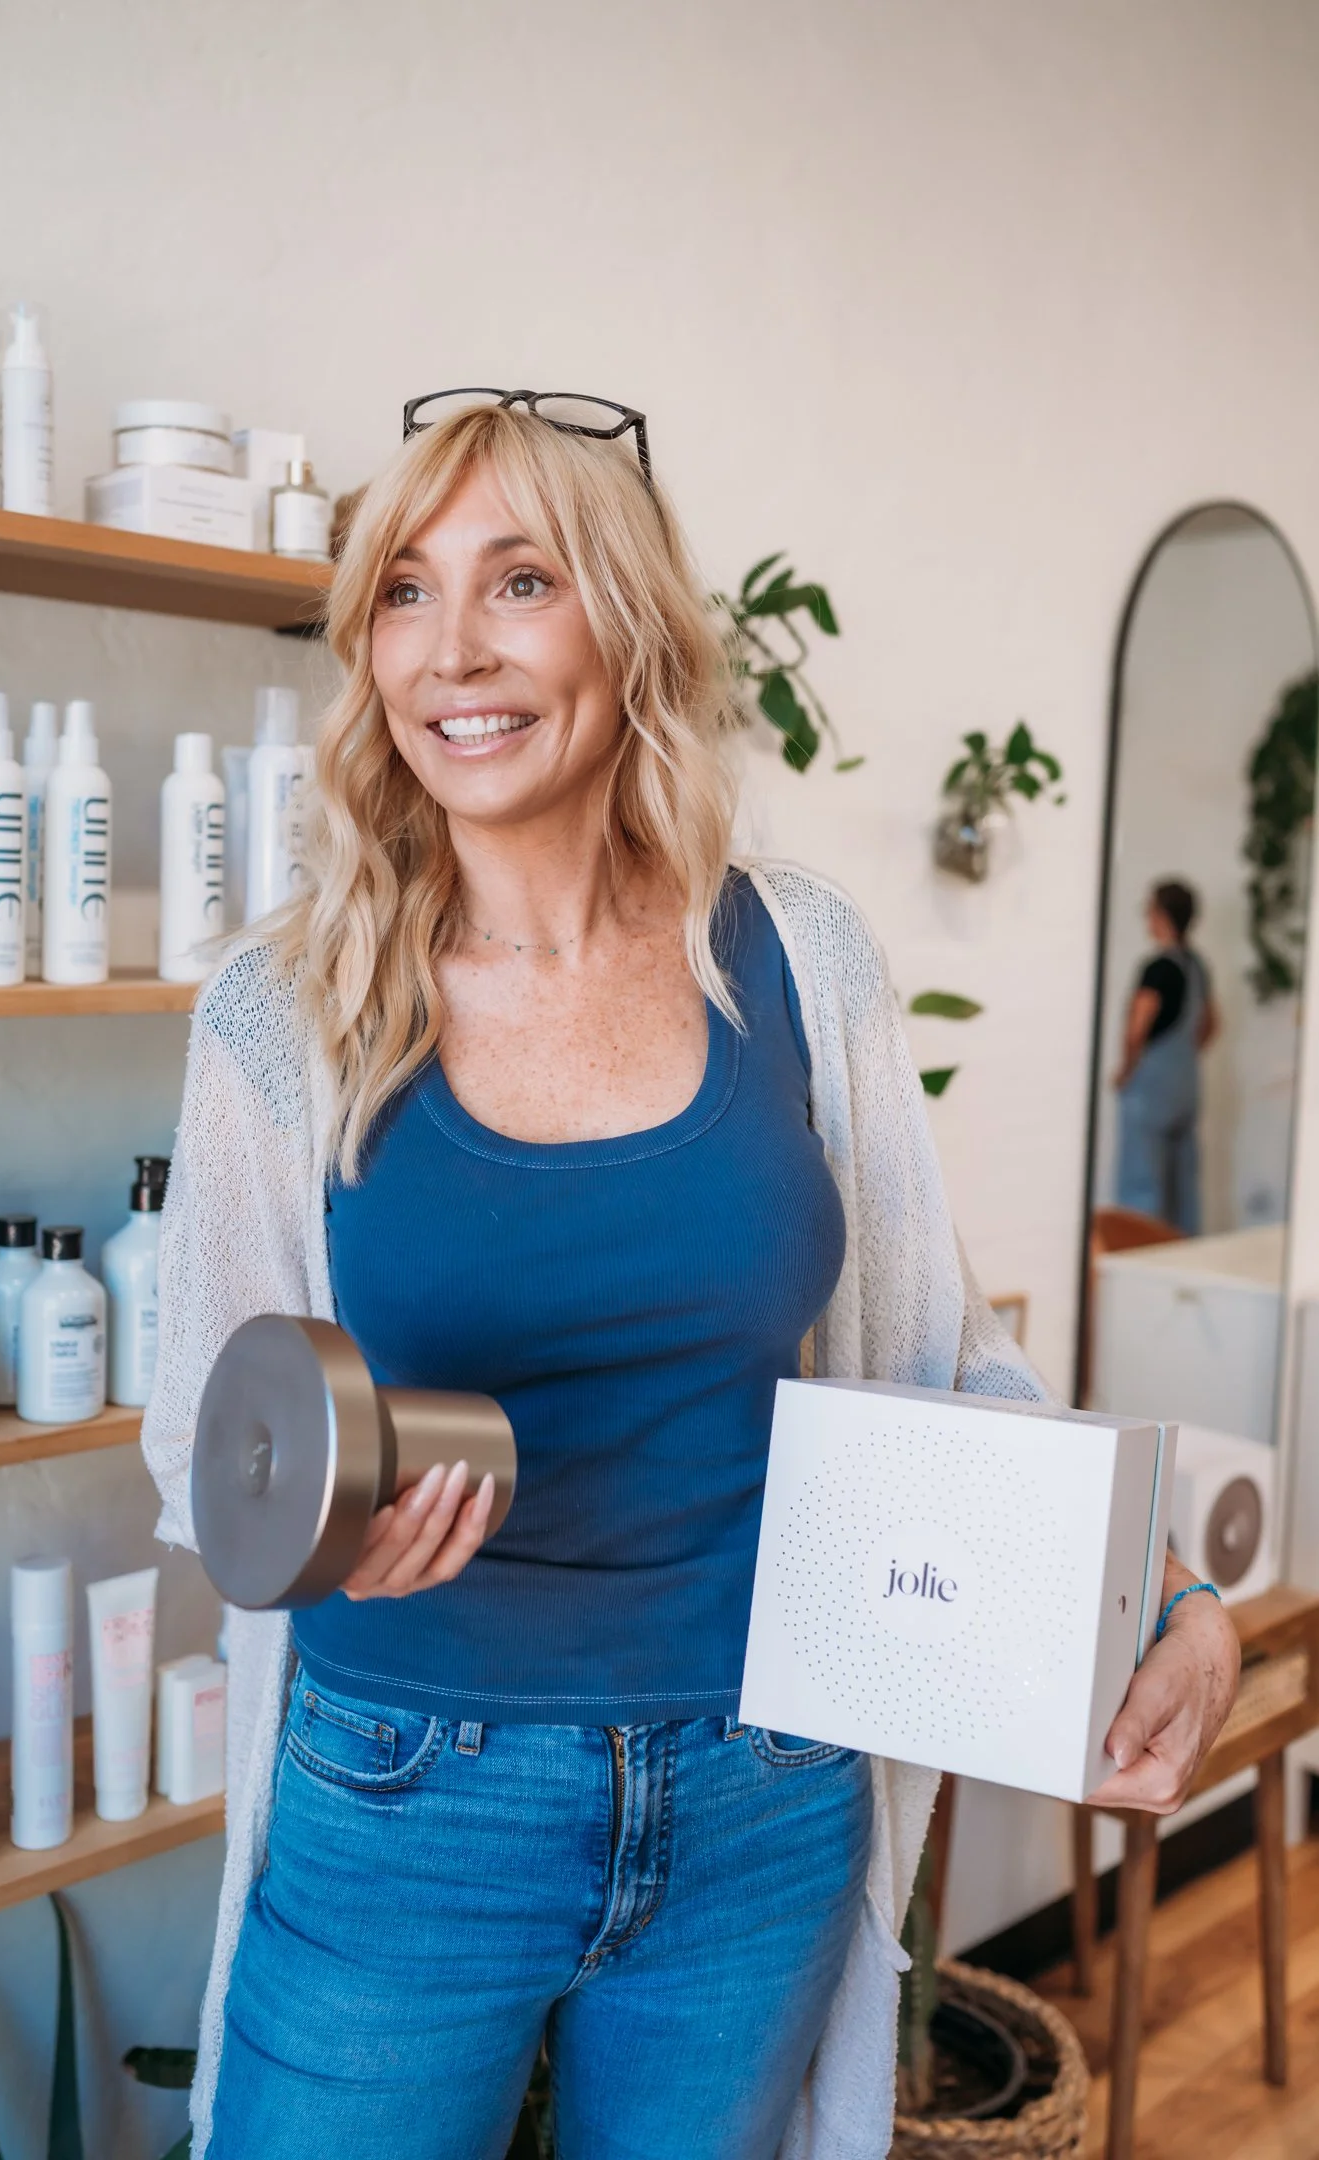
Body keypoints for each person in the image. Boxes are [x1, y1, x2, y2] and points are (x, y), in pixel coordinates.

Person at [142, 397, 1240, 2160]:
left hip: (764, 1790)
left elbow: (940, 1355)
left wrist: (1163, 1592)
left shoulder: (797, 960)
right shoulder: (289, 1013)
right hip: (413, 1795)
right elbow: (199, 1450)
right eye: (404, 594)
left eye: (520, 580)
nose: (454, 650)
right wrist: (323, 1526)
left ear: (628, 623)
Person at [1113, 879, 1218, 1233]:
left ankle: (1141, 1260)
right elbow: (1210, 1023)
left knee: (1142, 1183)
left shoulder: (1158, 968)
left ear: (1161, 915)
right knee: (1183, 1188)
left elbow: (1136, 1028)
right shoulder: (1197, 965)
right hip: (1185, 1086)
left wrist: (1126, 1070)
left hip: (1151, 1088)